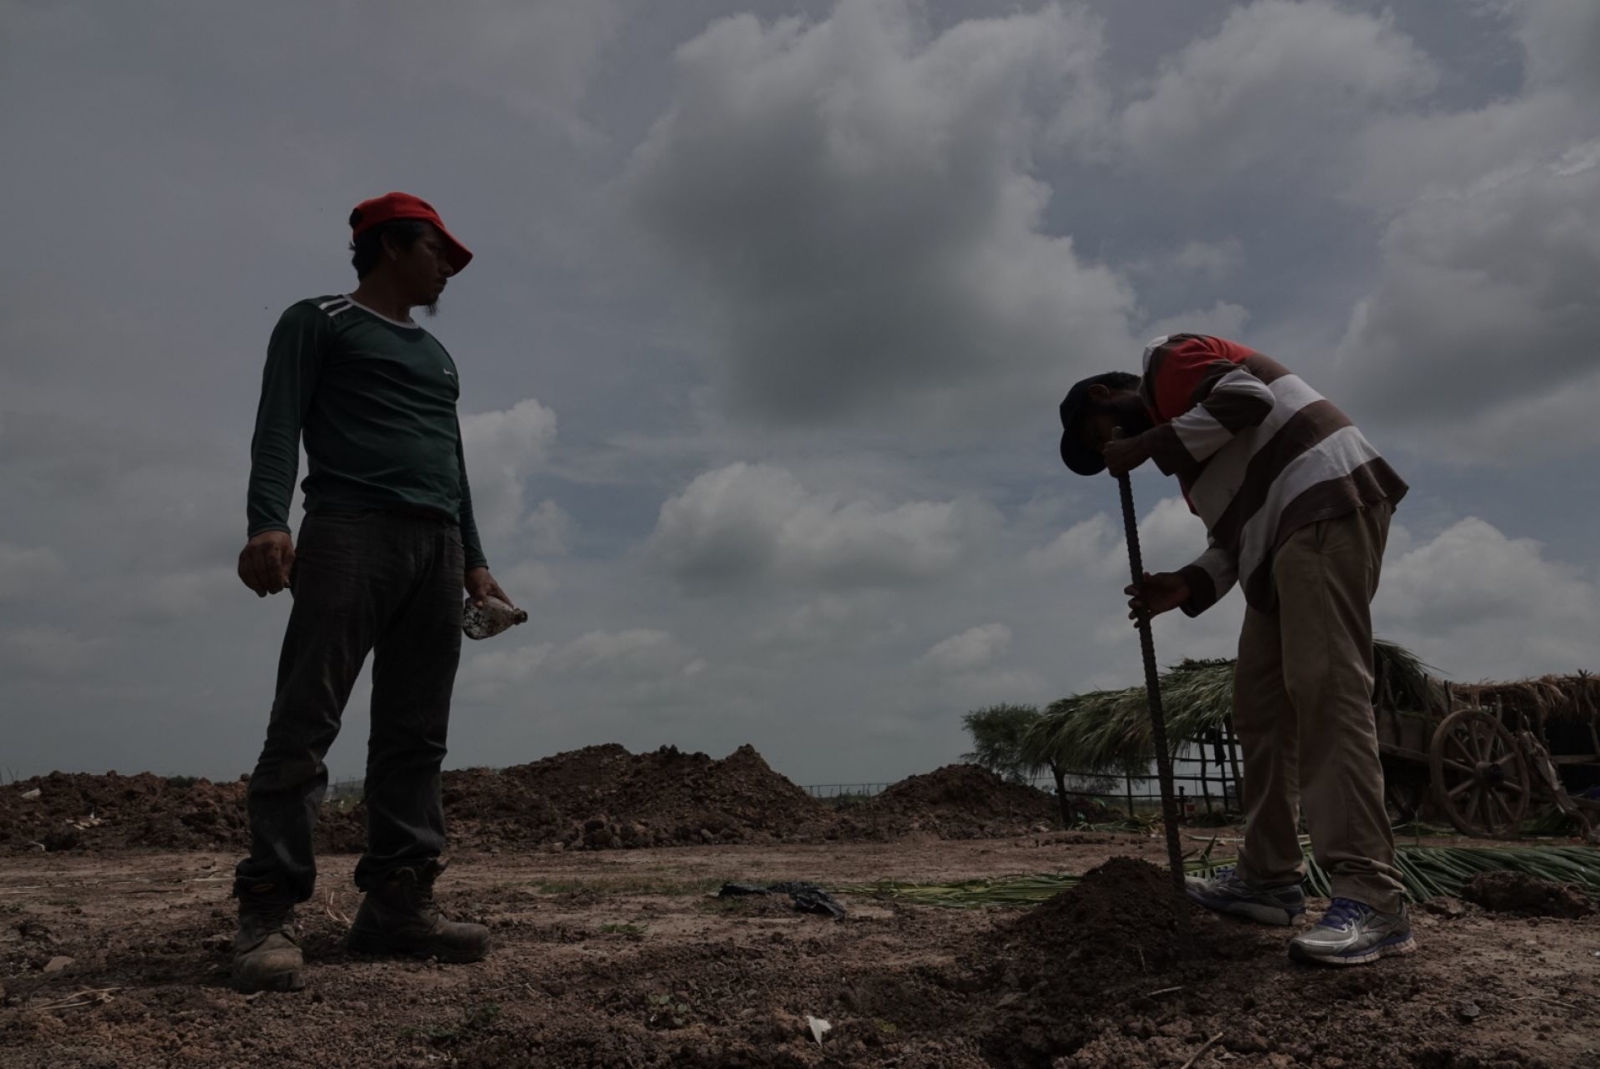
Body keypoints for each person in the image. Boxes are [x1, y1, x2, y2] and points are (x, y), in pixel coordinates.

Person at [231, 192, 515, 992]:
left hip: (438, 543)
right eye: (438, 251)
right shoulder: (317, 320)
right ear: (391, 246)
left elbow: (452, 465)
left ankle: (397, 904)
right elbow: (277, 423)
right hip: (349, 529)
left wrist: (476, 561)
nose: (448, 267)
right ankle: (267, 908)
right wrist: (266, 520)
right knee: (306, 720)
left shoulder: (438, 357)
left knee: (416, 732)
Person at [1057, 333, 1413, 966]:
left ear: (1104, 396)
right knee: (1259, 708)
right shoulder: (1198, 464)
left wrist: (1142, 443)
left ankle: (1371, 894)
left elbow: (1246, 395)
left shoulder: (1166, 360)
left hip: (1323, 501)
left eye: (1101, 435)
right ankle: (1269, 878)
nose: (1112, 453)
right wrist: (1190, 582)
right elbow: (1238, 537)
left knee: (1325, 686)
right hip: (1278, 541)